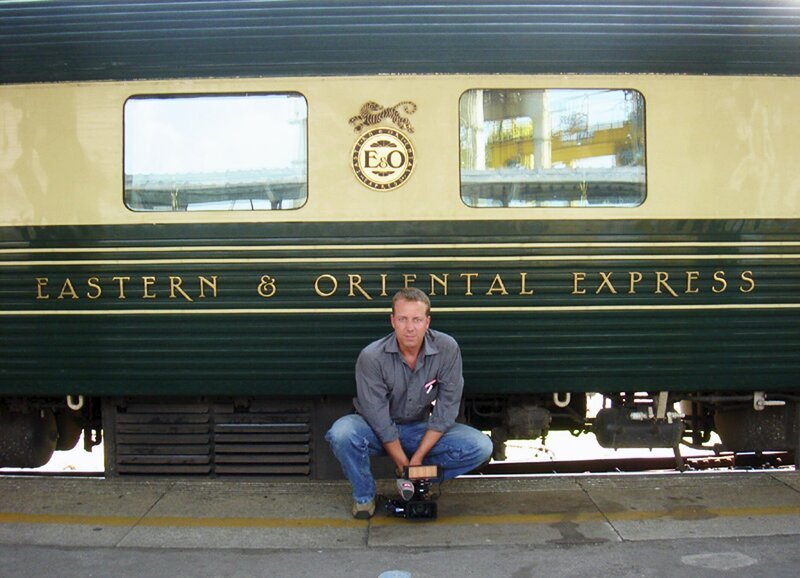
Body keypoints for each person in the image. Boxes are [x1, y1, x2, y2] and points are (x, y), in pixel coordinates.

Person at [325, 287, 493, 519]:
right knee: (342, 433)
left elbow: (446, 410)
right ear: (393, 321)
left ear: (427, 322)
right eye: (403, 319)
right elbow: (379, 419)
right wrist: (404, 465)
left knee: (480, 446)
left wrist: (416, 462)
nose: (410, 327)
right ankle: (364, 497)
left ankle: (420, 482)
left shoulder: (447, 348)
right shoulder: (371, 356)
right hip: (374, 430)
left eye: (417, 319)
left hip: (418, 428)